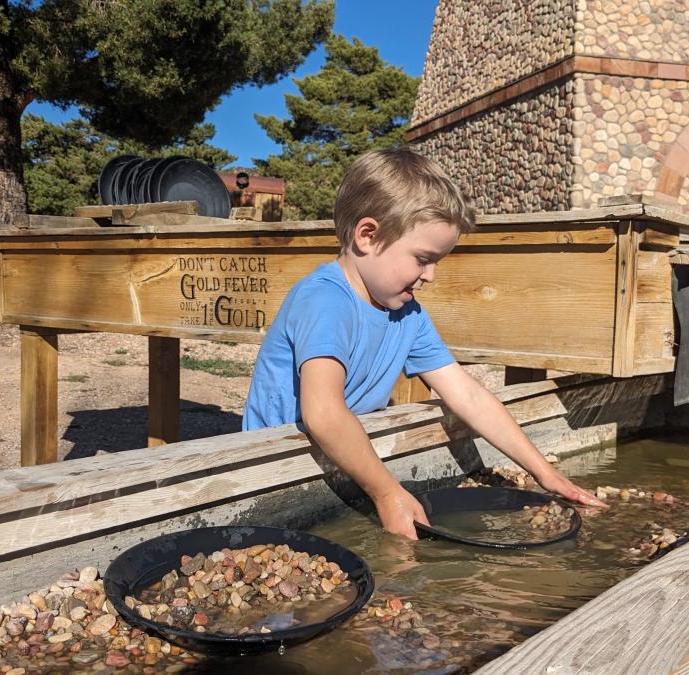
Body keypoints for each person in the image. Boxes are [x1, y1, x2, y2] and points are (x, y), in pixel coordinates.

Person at [243, 148, 605, 539]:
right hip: (271, 472)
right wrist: (387, 493)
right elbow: (324, 414)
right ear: (368, 236)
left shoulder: (407, 315)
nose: (430, 275)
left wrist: (546, 474)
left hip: (345, 464)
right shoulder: (325, 301)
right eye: (422, 258)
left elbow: (468, 396)